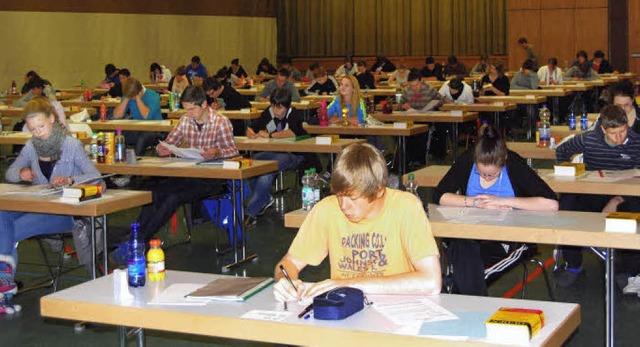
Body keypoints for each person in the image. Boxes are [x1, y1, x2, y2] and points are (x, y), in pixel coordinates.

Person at [273, 142, 442, 302]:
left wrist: (347, 284)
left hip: (399, 307)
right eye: (339, 195)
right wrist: (285, 281)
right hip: (346, 309)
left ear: (378, 191)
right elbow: (288, 263)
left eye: (353, 198)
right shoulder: (326, 209)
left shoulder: (406, 206)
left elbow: (431, 282)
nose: (343, 205)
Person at [1, 98, 102, 308]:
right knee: (2, 215)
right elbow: (10, 173)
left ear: (52, 119)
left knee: (12, 228)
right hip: (39, 204)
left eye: (41, 126)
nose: (38, 132)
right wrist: (21, 172)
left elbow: (95, 176)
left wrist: (70, 180)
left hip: (66, 212)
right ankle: (4, 281)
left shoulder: (71, 145)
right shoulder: (31, 147)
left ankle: (4, 282)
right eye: (32, 128)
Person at [434, 124, 558, 295]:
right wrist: (474, 202)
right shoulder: (467, 160)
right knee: (462, 249)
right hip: (470, 235)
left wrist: (502, 201)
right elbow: (439, 195)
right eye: (480, 173)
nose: (485, 177)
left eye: (492, 175)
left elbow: (551, 203)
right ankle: (469, 307)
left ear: (503, 161)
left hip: (507, 240)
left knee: (465, 275)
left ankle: (458, 297)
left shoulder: (514, 164)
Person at [133, 86, 238, 243]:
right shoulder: (185, 120)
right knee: (155, 192)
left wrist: (217, 152)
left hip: (213, 178)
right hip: (189, 173)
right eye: (186, 109)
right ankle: (137, 237)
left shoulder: (221, 122)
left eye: (191, 110)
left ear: (203, 104)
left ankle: (140, 241)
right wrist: (164, 148)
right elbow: (170, 142)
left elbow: (233, 152)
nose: (188, 114)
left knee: (174, 197)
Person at [555, 105, 640, 289]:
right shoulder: (588, 140)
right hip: (593, 192)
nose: (619, 137)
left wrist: (617, 199)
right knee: (567, 202)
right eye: (613, 133)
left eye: (623, 131)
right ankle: (574, 265)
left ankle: (631, 271)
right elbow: (561, 152)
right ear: (603, 129)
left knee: (634, 210)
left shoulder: (636, 143)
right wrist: (574, 173)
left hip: (623, 195)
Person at [244, 88, 315, 227]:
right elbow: (252, 127)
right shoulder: (268, 113)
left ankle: (250, 212)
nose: (276, 111)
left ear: (287, 106)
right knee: (252, 165)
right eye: (273, 107)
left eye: (279, 108)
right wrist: (251, 132)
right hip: (271, 152)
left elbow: (292, 132)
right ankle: (265, 198)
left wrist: (270, 135)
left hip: (292, 154)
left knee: (267, 171)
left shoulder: (294, 114)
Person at [400, 71, 444, 164]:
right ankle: (409, 158)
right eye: (411, 86)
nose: (414, 88)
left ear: (421, 81)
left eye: (416, 85)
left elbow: (440, 100)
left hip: (426, 117)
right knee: (405, 133)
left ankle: (420, 159)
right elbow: (401, 104)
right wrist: (404, 105)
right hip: (412, 118)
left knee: (423, 133)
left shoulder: (429, 89)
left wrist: (434, 104)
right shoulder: (406, 90)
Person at [113, 77, 162, 156]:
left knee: (141, 138)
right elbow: (117, 115)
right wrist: (126, 99)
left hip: (155, 130)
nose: (132, 99)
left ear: (139, 91)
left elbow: (146, 116)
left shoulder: (153, 96)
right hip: (137, 128)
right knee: (117, 135)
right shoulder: (129, 95)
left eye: (133, 97)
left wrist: (138, 99)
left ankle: (135, 164)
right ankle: (119, 160)